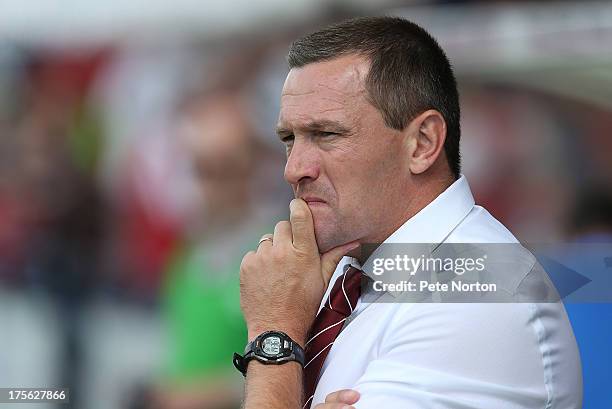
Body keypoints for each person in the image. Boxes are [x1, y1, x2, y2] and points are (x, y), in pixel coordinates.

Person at [236, 16, 582, 409]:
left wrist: (273, 335)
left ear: (422, 143)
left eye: (326, 134)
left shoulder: (481, 297)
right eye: (288, 138)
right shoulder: (347, 274)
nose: (294, 168)